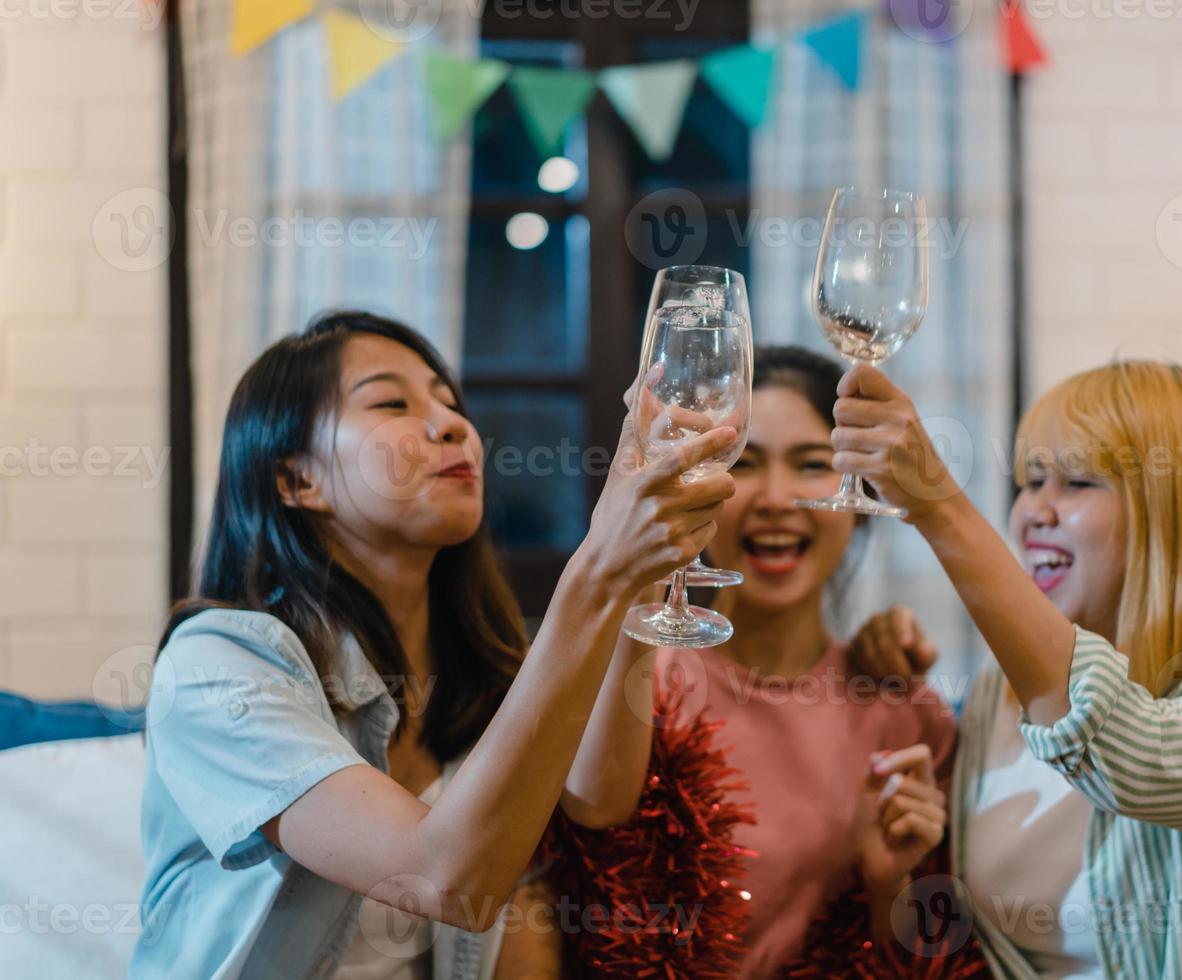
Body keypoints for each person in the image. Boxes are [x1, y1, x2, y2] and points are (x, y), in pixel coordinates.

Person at [130, 310, 737, 980]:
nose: (453, 425)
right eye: (391, 401)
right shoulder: (216, 668)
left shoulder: (470, 666)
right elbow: (443, 881)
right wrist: (598, 569)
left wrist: (642, 579)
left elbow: (599, 796)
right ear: (297, 480)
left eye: (450, 403)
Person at [841, 360, 1182, 978]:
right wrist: (892, 883)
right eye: (1031, 480)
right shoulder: (999, 694)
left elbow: (1135, 754)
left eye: (1077, 483)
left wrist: (939, 506)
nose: (1034, 511)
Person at [496, 346, 973, 978]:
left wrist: (890, 887)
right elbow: (583, 827)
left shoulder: (909, 714)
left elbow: (930, 957)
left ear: (856, 505)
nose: (776, 498)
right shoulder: (641, 680)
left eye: (810, 464)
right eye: (744, 463)